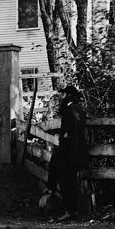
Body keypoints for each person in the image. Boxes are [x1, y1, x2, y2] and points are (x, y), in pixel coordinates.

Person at [46, 84, 86, 219]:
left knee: (66, 180)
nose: (61, 97)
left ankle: (70, 210)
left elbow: (71, 130)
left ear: (68, 96)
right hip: (74, 150)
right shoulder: (79, 108)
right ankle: (53, 191)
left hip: (69, 150)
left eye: (63, 94)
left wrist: (65, 135)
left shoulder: (70, 110)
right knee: (65, 175)